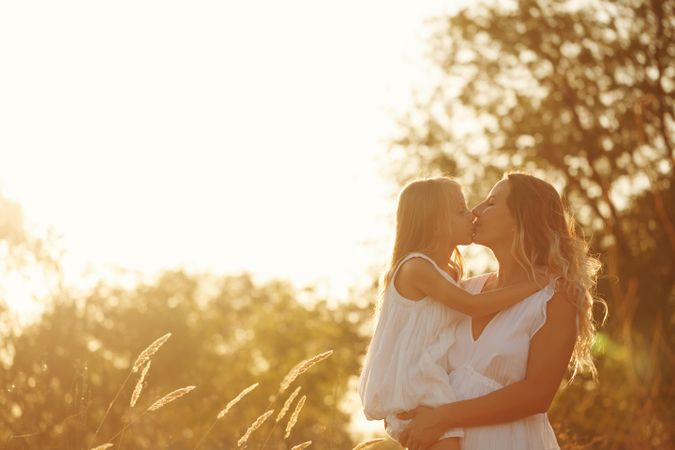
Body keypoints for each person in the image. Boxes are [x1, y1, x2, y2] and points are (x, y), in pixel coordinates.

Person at [397, 173, 605, 450]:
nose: (475, 211)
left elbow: (537, 394)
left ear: (521, 220)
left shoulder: (556, 297)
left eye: (491, 203)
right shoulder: (463, 291)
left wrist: (443, 417)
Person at [358, 177, 543, 450]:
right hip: (417, 380)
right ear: (435, 222)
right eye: (461, 211)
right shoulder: (416, 268)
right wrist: (535, 285)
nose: (473, 215)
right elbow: (473, 305)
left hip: (431, 375)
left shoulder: (449, 272)